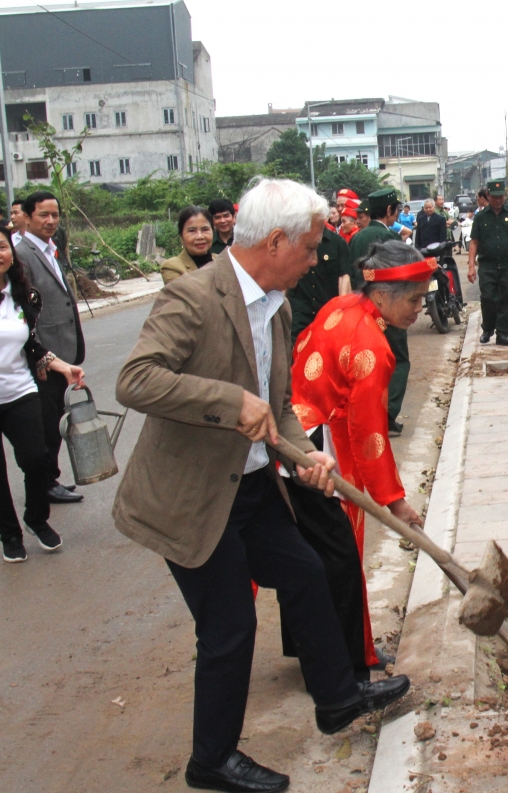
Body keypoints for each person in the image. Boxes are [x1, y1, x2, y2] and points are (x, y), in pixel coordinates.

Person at [113, 178, 409, 793]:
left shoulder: (275, 306)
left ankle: (336, 699)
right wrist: (227, 400)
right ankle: (211, 761)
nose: (316, 260)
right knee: (228, 628)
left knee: (305, 571)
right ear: (274, 242)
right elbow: (136, 381)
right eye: (309, 248)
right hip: (193, 498)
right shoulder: (192, 298)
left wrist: (306, 455)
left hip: (250, 485)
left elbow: (277, 407)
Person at [290, 240, 430, 680]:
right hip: (321, 449)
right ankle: (347, 666)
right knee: (339, 559)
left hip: (293, 435)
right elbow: (370, 435)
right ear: (383, 295)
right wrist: (394, 501)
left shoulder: (342, 304)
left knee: (308, 553)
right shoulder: (374, 347)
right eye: (413, 299)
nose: (419, 309)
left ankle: (308, 647)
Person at [0, 225, 86, 562]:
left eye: (2, 246)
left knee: (37, 458)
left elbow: (31, 344)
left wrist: (63, 367)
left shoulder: (24, 294)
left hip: (20, 391)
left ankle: (36, 519)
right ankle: (10, 535)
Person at [13, 192, 85, 505]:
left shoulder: (50, 248)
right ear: (26, 217)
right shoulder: (22, 253)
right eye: (43, 215)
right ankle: (43, 482)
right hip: (45, 356)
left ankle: (50, 478)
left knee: (56, 417)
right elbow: (26, 311)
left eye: (54, 214)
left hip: (62, 350)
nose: (51, 221)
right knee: (46, 423)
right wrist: (40, 354)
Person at [349, 189, 409, 436]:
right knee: (397, 360)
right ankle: (387, 415)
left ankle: (368, 415)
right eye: (395, 209)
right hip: (388, 310)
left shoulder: (355, 238)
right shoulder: (390, 238)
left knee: (367, 363)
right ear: (389, 211)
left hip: (361, 308)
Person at [468, 179, 508, 347]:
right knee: (488, 297)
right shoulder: (481, 217)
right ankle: (488, 329)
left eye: (501, 197)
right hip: (487, 266)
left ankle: (502, 333)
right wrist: (471, 266)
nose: (497, 201)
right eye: (494, 197)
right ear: (488, 195)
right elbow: (474, 242)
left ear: (505, 196)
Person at [287, 208, 355, 342]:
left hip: (327, 313)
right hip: (300, 314)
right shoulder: (293, 242)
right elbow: (284, 273)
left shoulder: (337, 243)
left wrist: (341, 313)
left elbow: (344, 279)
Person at [161, 206, 215, 285]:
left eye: (205, 229)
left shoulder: (223, 261)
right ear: (181, 237)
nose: (200, 236)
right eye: (192, 231)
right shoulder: (172, 267)